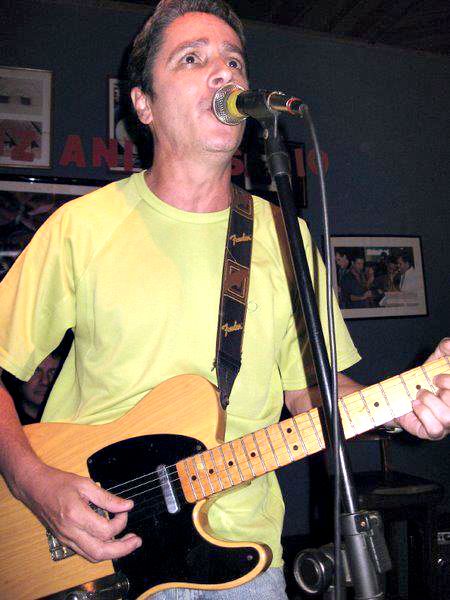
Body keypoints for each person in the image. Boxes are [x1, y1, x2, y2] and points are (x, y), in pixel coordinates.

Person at [0, 2, 449, 599]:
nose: (224, 72)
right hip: (87, 559)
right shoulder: (81, 228)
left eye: (234, 61)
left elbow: (307, 393)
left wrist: (402, 405)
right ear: (143, 104)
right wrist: (32, 483)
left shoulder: (284, 236)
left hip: (242, 567)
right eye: (192, 58)